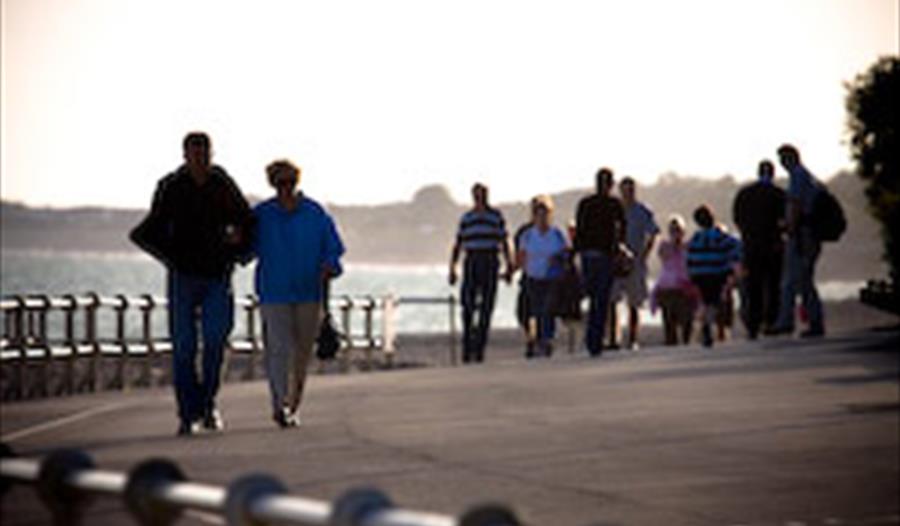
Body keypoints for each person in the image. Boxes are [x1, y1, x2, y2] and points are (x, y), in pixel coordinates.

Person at [130, 132, 253, 436]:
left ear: (212, 154)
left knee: (215, 342)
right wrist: (171, 258)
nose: (200, 158)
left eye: (205, 152)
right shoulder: (171, 186)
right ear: (185, 155)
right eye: (194, 152)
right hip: (183, 278)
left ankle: (208, 404)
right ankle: (187, 414)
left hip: (217, 277)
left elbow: (247, 222)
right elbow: (146, 232)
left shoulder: (222, 184)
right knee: (184, 348)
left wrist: (237, 249)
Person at [250, 160, 344, 428]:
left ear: (297, 182)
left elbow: (333, 249)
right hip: (273, 292)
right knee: (278, 350)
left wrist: (331, 266)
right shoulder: (262, 215)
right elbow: (245, 248)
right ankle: (279, 405)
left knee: (301, 354)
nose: (286, 189)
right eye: (280, 183)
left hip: (309, 293)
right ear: (272, 184)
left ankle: (293, 403)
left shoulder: (315, 213)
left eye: (290, 182)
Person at [448, 183, 513, 363]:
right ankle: (468, 345)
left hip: (490, 260)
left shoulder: (495, 217)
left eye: (482, 195)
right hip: (472, 261)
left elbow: (505, 241)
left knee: (486, 307)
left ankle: (480, 348)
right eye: (476, 195)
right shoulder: (467, 218)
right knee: (467, 305)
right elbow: (458, 244)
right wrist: (452, 268)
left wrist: (509, 266)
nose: (479, 198)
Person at [769, 144, 825, 337]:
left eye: (783, 159)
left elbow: (795, 204)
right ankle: (810, 321)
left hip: (802, 234)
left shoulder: (798, 176)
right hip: (808, 233)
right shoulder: (806, 176)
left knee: (794, 280)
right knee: (802, 280)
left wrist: (789, 229)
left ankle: (788, 321)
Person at [573, 168, 626, 357]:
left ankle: (593, 338)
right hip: (604, 255)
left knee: (593, 296)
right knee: (600, 299)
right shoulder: (614, 204)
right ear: (611, 184)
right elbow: (622, 231)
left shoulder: (586, 204)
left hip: (590, 255)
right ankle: (594, 340)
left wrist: (575, 254)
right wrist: (620, 250)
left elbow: (578, 231)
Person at [732, 160, 787, 339]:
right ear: (772, 174)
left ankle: (753, 325)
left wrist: (748, 234)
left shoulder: (745, 194)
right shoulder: (779, 194)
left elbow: (737, 219)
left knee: (753, 287)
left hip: (751, 246)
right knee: (773, 286)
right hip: (773, 246)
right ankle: (771, 321)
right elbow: (785, 221)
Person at [608, 177, 659, 350]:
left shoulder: (642, 211)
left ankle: (633, 339)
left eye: (631, 190)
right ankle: (614, 338)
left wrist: (644, 255)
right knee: (612, 301)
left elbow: (653, 232)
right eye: (625, 190)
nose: (628, 193)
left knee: (634, 303)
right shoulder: (613, 209)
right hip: (616, 261)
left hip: (635, 261)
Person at [517, 196, 569, 358]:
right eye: (539, 214)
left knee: (548, 309)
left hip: (552, 278)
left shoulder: (557, 234)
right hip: (533, 277)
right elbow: (521, 255)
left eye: (545, 214)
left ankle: (547, 339)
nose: (542, 218)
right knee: (536, 310)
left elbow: (566, 252)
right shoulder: (528, 235)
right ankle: (538, 339)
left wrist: (559, 262)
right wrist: (520, 270)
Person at [686, 205, 742, 348]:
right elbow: (737, 247)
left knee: (705, 301)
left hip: (700, 274)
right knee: (715, 302)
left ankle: (706, 325)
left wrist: (691, 273)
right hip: (716, 272)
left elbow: (689, 257)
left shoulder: (696, 238)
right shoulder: (719, 236)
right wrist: (732, 264)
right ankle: (709, 326)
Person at [650, 215, 697, 345]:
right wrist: (675, 247)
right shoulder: (665, 246)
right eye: (673, 230)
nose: (676, 233)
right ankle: (671, 340)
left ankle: (686, 341)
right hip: (668, 287)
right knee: (669, 320)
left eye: (678, 230)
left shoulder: (689, 246)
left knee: (687, 320)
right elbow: (663, 256)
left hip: (686, 287)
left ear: (683, 232)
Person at [513, 197, 541, 356]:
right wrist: (512, 270)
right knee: (523, 312)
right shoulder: (524, 231)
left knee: (540, 311)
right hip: (528, 276)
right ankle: (531, 337)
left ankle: (539, 340)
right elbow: (519, 255)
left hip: (545, 277)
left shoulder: (550, 231)